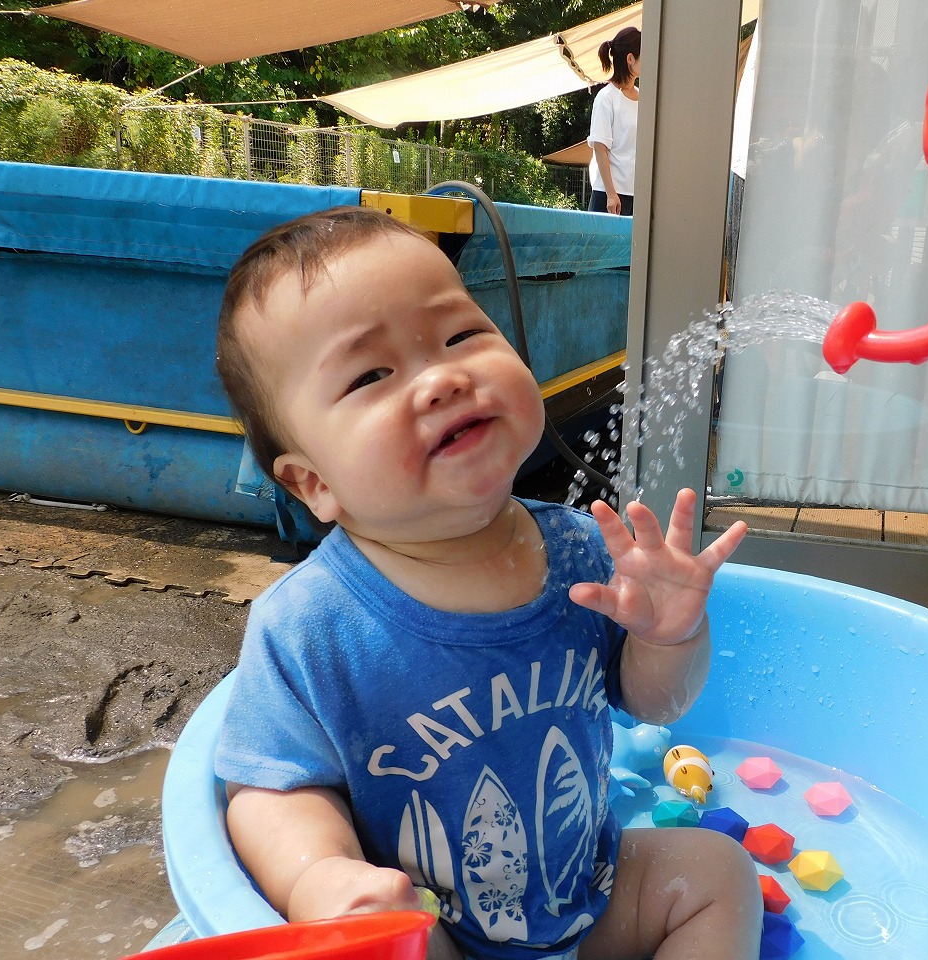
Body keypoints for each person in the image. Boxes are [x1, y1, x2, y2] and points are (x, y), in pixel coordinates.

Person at [211, 206, 762, 960]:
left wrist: (668, 638)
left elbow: (652, 705)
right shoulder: (310, 625)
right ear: (315, 484)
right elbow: (270, 788)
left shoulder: (580, 550)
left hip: (589, 890)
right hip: (431, 928)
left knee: (719, 875)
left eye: (461, 334)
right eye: (371, 374)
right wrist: (321, 878)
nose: (443, 378)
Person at [587, 26, 640, 216]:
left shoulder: (644, 98)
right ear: (630, 59)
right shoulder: (606, 98)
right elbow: (599, 148)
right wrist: (611, 194)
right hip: (610, 196)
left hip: (637, 194)